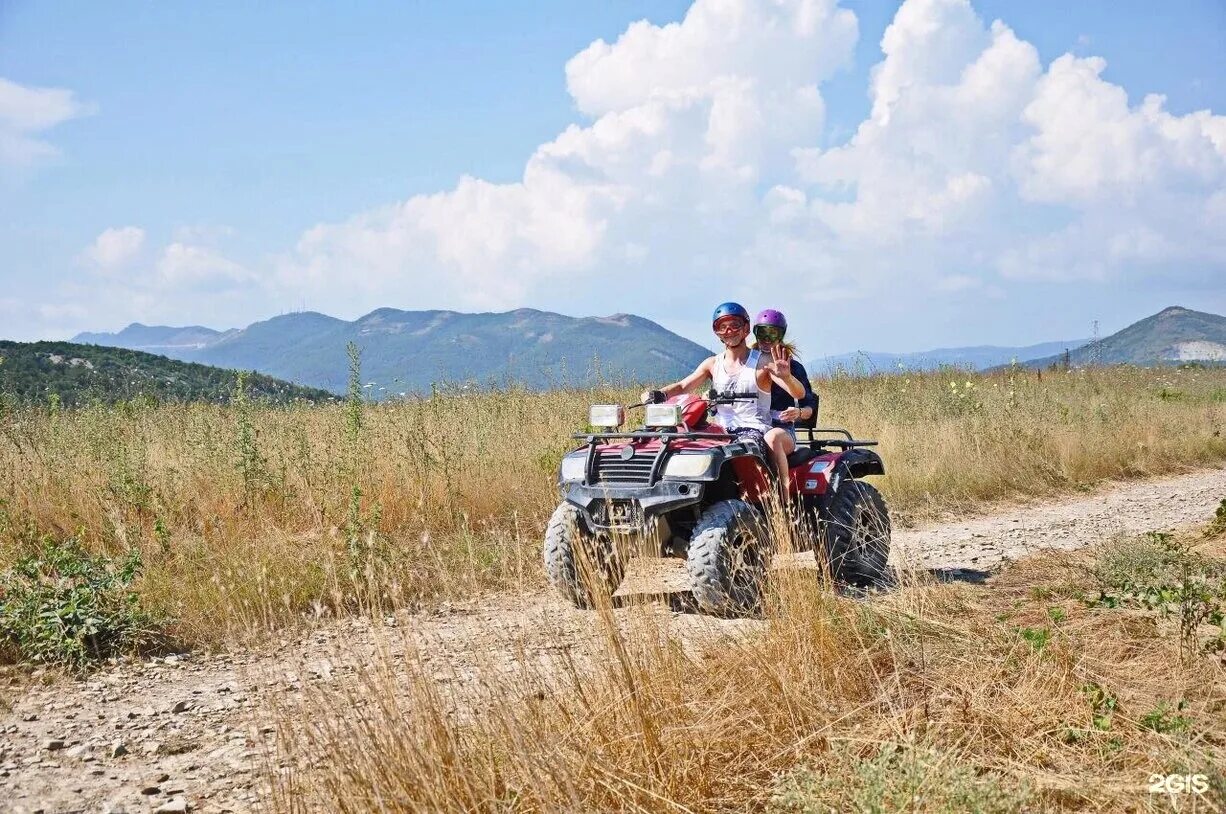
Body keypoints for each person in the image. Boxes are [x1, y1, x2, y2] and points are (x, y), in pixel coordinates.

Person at [640, 302, 806, 490]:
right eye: (722, 326)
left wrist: (787, 377)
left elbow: (798, 393)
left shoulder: (763, 362)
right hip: (718, 430)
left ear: (745, 329)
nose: (729, 331)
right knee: (680, 444)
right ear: (716, 332)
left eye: (735, 325)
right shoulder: (712, 363)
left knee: (744, 451)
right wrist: (659, 394)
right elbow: (683, 385)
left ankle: (780, 503)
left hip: (753, 430)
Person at [751, 309, 817, 441]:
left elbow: (809, 404)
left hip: (779, 426)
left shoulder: (794, 368)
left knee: (772, 440)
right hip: (747, 425)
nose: (767, 339)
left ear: (781, 336)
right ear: (755, 333)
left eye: (773, 334)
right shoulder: (745, 365)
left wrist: (799, 412)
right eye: (762, 333)